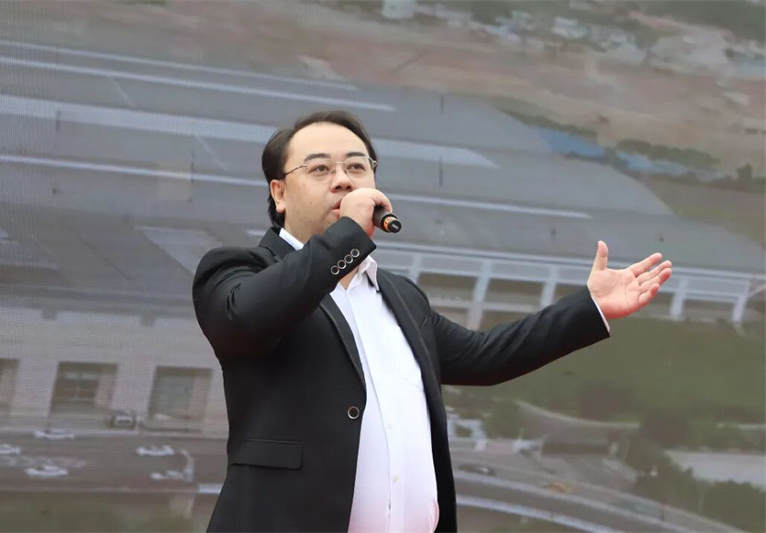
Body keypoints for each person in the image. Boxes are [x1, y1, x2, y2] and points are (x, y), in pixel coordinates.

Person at [192, 110, 673, 532]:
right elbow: (246, 319)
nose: (342, 181)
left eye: (357, 167)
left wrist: (589, 307)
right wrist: (348, 235)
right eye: (320, 169)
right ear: (279, 193)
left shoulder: (399, 296)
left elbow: (486, 357)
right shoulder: (240, 271)